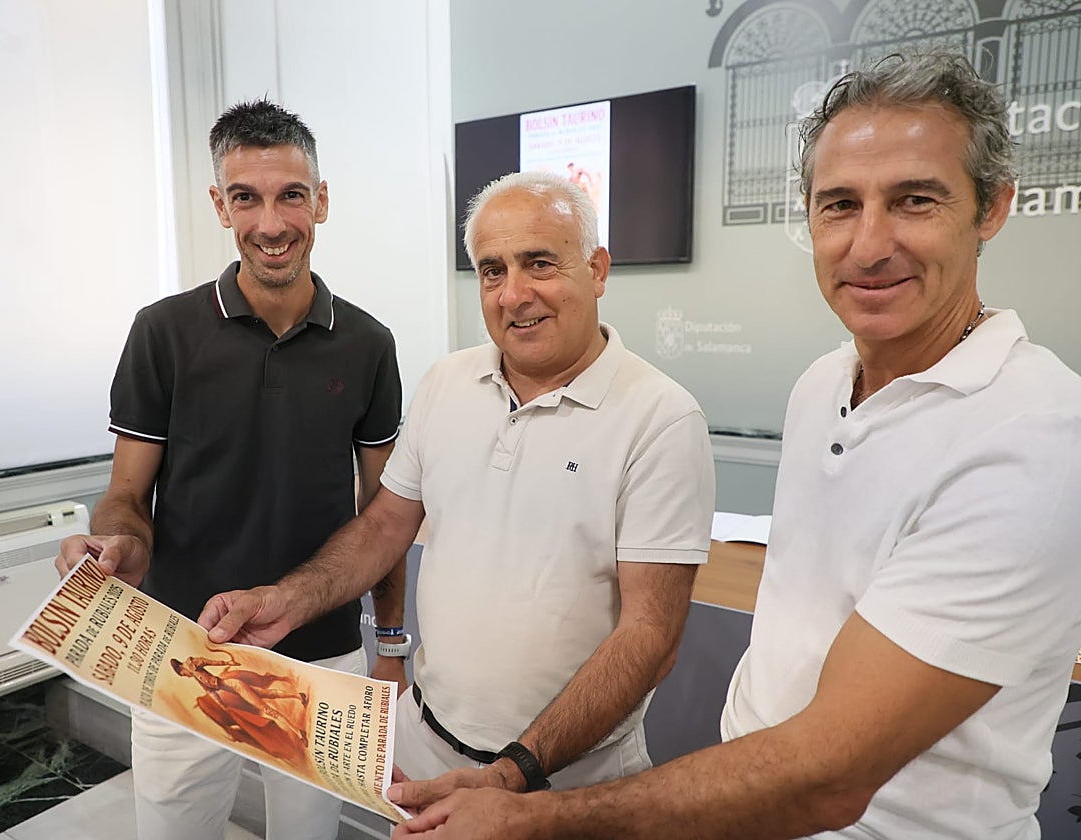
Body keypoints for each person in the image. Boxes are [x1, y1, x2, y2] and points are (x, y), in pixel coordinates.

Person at [389, 50, 1081, 840]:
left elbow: (828, 775)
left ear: (992, 209)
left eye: (915, 200)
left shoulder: (1036, 436)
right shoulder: (825, 384)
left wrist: (531, 814)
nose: (868, 244)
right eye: (840, 205)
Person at [200, 171, 715, 803]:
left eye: (541, 264)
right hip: (424, 749)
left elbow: (650, 636)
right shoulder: (447, 383)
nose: (514, 295)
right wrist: (285, 601)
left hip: (568, 781)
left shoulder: (661, 419)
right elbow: (386, 525)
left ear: (598, 270)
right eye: (492, 271)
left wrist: (512, 773)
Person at [54, 98, 405, 840]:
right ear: (220, 204)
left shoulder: (370, 345)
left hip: (322, 647)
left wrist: (393, 646)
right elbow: (126, 495)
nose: (271, 223)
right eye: (246, 197)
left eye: (292, 195)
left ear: (322, 200)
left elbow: (388, 515)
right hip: (184, 647)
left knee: (308, 835)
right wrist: (117, 545)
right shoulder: (162, 333)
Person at [170, 654, 309, 758]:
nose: (186, 676)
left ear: (181, 669)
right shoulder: (197, 677)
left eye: (184, 675)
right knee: (266, 693)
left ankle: (298, 732)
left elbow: (209, 662)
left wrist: (226, 662)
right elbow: (211, 692)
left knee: (267, 710)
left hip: (236, 686)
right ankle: (298, 696)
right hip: (233, 688)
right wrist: (222, 705)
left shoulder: (193, 664)